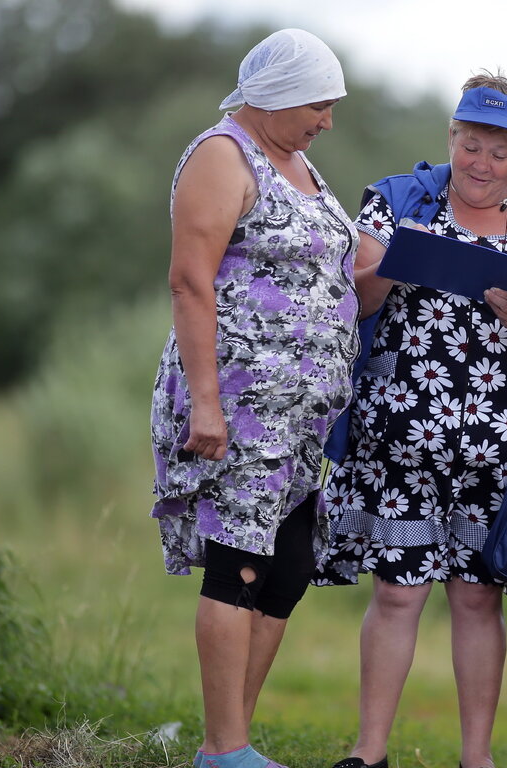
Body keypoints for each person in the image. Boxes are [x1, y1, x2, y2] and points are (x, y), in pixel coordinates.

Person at [316, 72, 507, 768]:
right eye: (470, 145)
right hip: (400, 441)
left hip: (501, 450)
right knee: (396, 592)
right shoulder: (395, 198)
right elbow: (358, 295)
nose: (481, 163)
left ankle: (479, 759)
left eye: (500, 153)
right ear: (451, 135)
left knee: (477, 600)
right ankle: (369, 752)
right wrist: (401, 259)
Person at [148, 29, 358, 768]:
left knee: (288, 568)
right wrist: (206, 405)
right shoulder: (222, 154)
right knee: (238, 564)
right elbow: (190, 280)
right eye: (318, 104)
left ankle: (226, 743)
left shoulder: (297, 161)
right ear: (274, 97)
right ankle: (227, 747)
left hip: (301, 417)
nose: (328, 119)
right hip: (239, 407)